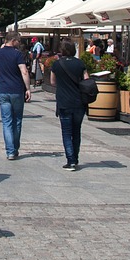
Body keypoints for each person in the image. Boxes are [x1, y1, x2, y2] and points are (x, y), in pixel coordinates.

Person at [49, 39, 89, 170]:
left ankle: (70, 161)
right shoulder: (80, 63)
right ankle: (75, 158)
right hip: (79, 102)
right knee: (76, 131)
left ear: (62, 50)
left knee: (66, 132)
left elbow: (52, 82)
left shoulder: (57, 64)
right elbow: (87, 80)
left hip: (64, 102)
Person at [0, 32, 30, 160]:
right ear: (13, 40)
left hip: (3, 90)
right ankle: (15, 148)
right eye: (18, 41)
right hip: (17, 90)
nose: (19, 43)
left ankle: (10, 151)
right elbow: (24, 71)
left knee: (6, 121)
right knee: (17, 120)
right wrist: (28, 89)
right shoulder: (17, 54)